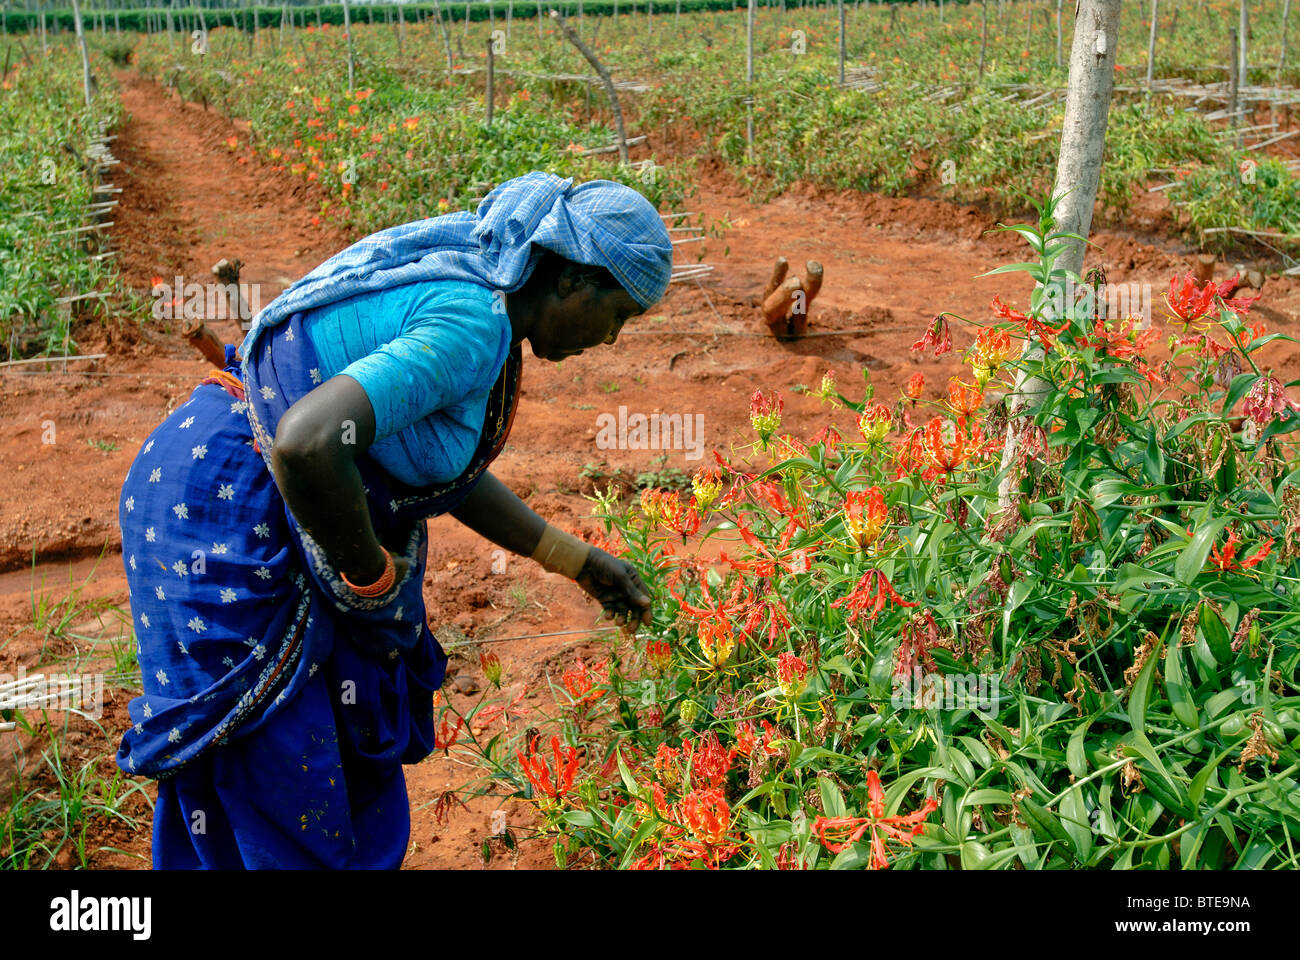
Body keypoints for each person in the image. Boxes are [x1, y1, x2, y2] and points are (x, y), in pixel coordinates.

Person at [115, 171, 674, 868]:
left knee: (306, 754)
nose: (615, 338)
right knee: (273, 761)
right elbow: (308, 443)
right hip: (231, 502)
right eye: (619, 313)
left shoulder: (483, 303)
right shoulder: (473, 322)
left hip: (234, 476)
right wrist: (371, 575)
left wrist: (575, 560)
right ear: (570, 279)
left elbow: (438, 469)